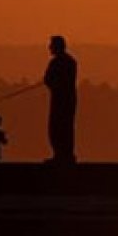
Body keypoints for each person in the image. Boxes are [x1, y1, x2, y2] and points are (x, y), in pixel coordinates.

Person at [44, 35, 78, 163]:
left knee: (57, 127)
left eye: (51, 45)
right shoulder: (71, 61)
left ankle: (61, 155)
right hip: (68, 99)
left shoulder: (57, 62)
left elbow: (48, 79)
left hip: (60, 100)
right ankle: (65, 154)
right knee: (66, 127)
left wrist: (52, 83)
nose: (49, 48)